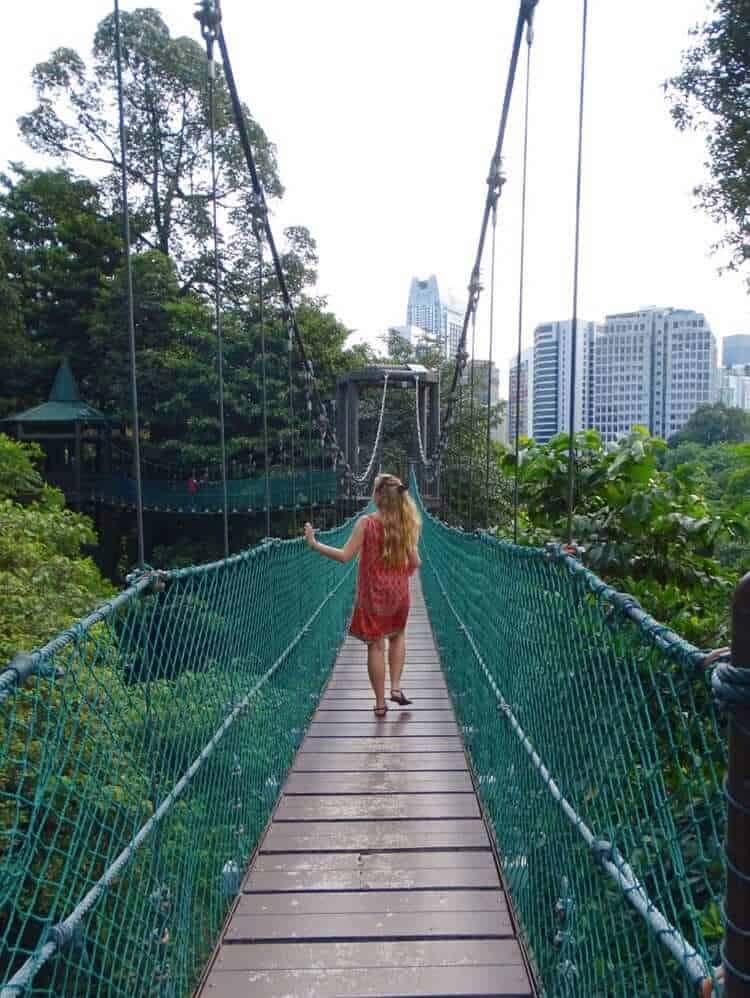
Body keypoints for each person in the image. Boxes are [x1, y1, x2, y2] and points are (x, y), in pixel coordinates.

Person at [304, 473, 422, 717]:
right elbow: (416, 562)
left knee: (375, 645)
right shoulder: (405, 523)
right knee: (397, 636)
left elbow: (345, 556)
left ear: (378, 496)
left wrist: (315, 544)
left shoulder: (366, 523)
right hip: (399, 594)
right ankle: (397, 688)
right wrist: (401, 575)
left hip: (372, 595)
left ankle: (380, 703)